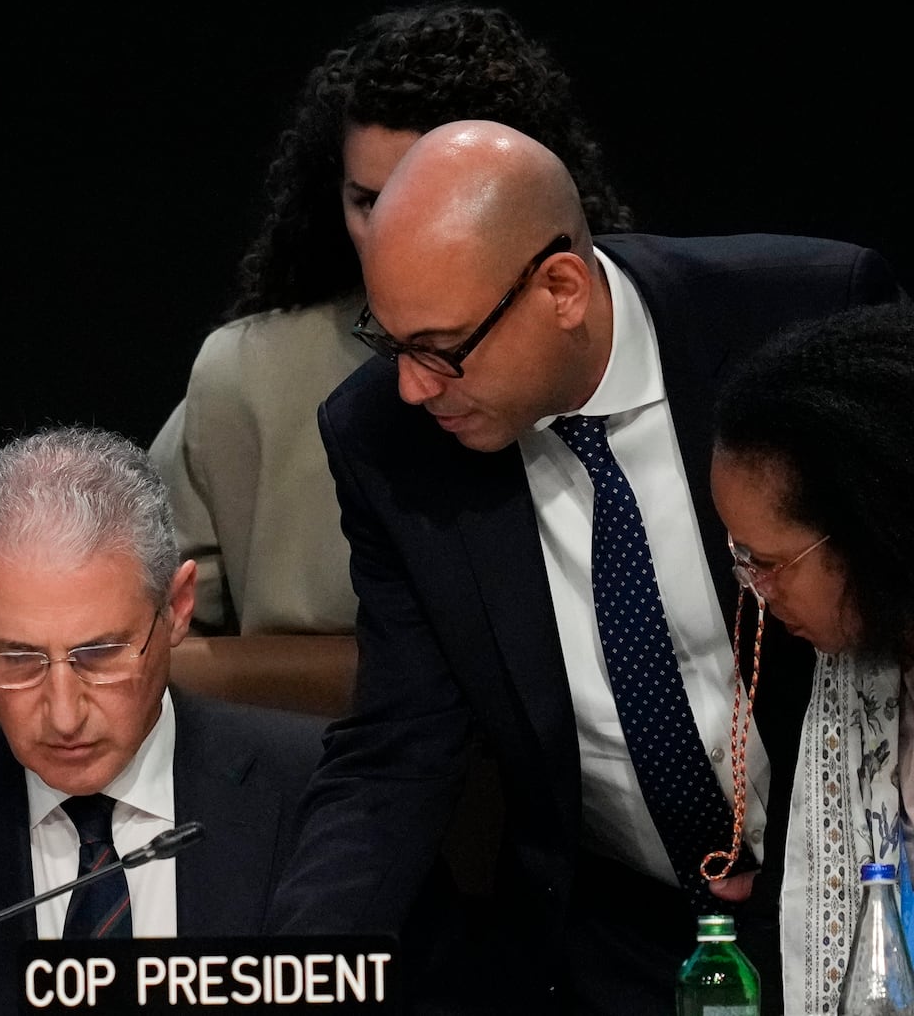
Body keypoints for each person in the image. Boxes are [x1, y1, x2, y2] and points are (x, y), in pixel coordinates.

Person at [267, 119, 909, 1014]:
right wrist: (293, 981)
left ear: (561, 287)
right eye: (390, 340)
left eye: (442, 349)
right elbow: (396, 750)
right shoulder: (387, 440)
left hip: (848, 902)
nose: (413, 386)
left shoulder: (801, 311)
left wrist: (807, 875)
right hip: (603, 948)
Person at [0, 425, 328, 1015]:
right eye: (17, 659)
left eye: (99, 655)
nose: (64, 713)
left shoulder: (325, 795)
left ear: (176, 609)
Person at [150, 0, 633, 644]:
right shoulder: (247, 375)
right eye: (367, 202)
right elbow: (129, 639)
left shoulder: (640, 351)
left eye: (432, 202)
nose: (392, 233)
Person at [710, 302, 914, 1013]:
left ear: (869, 530)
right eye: (741, 562)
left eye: (768, 564)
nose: (757, 594)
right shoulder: (855, 676)